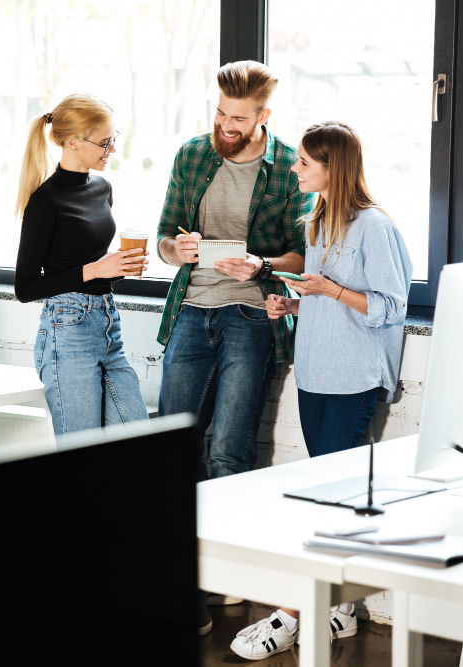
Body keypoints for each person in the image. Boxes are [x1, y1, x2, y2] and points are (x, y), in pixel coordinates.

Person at [229, 121, 413, 660]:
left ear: (333, 167)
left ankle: (294, 611)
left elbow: (390, 307)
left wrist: (329, 288)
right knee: (329, 495)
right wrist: (292, 304)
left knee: (331, 499)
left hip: (354, 376)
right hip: (313, 373)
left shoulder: (375, 227)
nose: (295, 168)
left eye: (305, 163)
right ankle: (337, 611)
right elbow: (325, 301)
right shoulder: (313, 223)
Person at [156, 60, 314, 484]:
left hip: (251, 314)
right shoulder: (191, 156)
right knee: (170, 444)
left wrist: (261, 265)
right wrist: (178, 249)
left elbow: (302, 257)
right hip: (190, 310)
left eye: (238, 118)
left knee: (230, 450)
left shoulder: (287, 167)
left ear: (263, 117)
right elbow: (164, 240)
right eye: (221, 113)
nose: (225, 125)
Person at [14, 93, 151, 437]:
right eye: (104, 143)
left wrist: (118, 266)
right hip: (67, 330)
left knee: (139, 440)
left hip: (106, 323)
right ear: (73, 142)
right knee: (83, 460)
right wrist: (95, 270)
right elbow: (25, 288)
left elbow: (86, 257)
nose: (112, 151)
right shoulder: (45, 202)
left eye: (113, 140)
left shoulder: (102, 187)